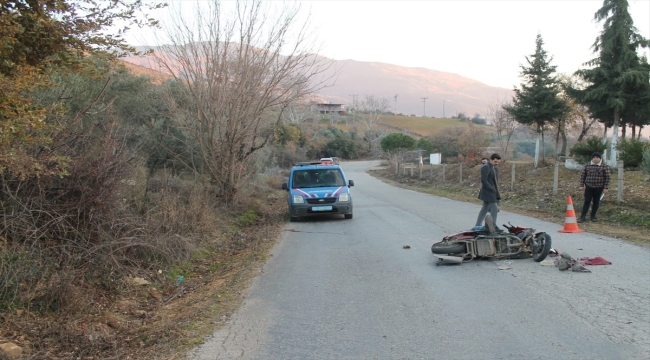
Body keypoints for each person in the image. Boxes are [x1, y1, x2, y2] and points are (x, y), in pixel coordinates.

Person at [578, 152, 610, 223]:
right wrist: (581, 185)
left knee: (596, 202)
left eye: (597, 157)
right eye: (594, 157)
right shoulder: (587, 165)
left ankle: (593, 216)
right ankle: (582, 216)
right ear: (592, 158)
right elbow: (583, 176)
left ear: (600, 158)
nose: (595, 159)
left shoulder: (604, 166)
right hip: (589, 186)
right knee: (587, 201)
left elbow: (607, 177)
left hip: (599, 187)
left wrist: (606, 187)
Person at [475, 153, 501, 231]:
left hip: (492, 191)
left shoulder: (494, 168)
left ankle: (477, 226)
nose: (496, 163)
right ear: (491, 160)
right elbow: (484, 180)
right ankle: (493, 227)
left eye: (498, 162)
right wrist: (491, 189)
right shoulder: (486, 167)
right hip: (488, 191)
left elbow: (495, 181)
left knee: (485, 208)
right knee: (494, 209)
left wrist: (496, 190)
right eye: (495, 161)